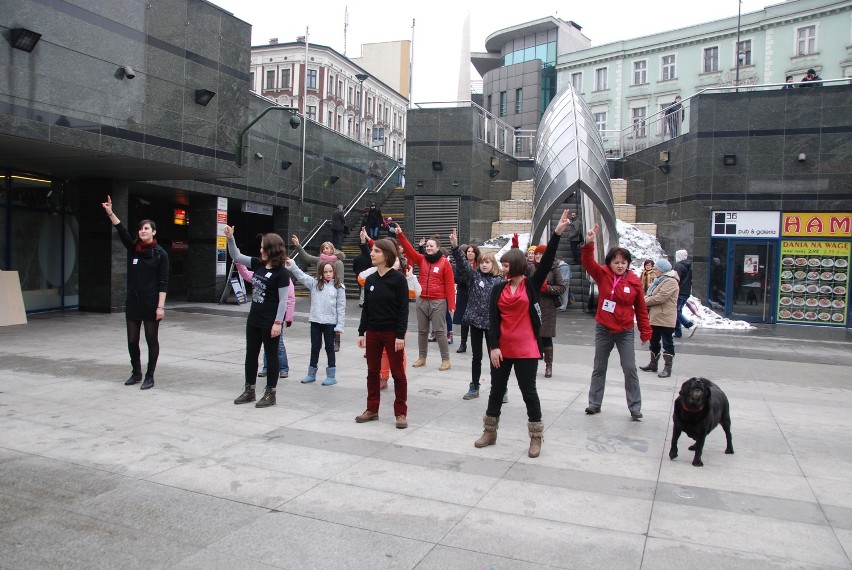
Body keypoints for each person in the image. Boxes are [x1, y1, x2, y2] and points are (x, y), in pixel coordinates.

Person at [474, 209, 572, 458]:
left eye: (506, 264)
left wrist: (557, 233)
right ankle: (490, 431)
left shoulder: (531, 285)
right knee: (496, 389)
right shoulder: (499, 288)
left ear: (516, 265)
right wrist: (493, 347)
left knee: (529, 392)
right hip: (503, 349)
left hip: (527, 348)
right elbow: (493, 320)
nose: (502, 268)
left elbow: (547, 260)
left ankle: (536, 437)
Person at [581, 223, 652, 420]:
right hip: (604, 329)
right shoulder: (602, 274)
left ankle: (635, 407)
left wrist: (646, 331)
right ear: (610, 263)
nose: (620, 265)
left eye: (623, 262)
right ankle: (594, 403)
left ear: (628, 263)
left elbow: (641, 309)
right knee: (599, 367)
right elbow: (588, 263)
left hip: (625, 331)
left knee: (629, 368)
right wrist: (589, 243)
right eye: (616, 262)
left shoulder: (634, 282)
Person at [101, 196, 169, 390]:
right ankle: (136, 373)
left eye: (146, 228)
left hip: (150, 303)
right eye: (140, 228)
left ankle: (150, 376)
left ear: (153, 232)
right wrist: (110, 212)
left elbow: (164, 282)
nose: (142, 231)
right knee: (132, 340)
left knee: (151, 339)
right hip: (133, 301)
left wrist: (160, 307)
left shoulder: (160, 254)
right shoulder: (134, 249)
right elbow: (121, 231)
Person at [225, 226, 290, 408]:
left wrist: (278, 322)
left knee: (271, 355)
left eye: (263, 247)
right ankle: (249, 390)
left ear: (272, 249)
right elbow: (237, 257)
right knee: (251, 354)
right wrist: (231, 238)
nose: (260, 250)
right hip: (254, 319)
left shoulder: (282, 273)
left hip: (270, 322)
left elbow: (283, 301)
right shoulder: (259, 264)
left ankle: (271, 393)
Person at [356, 238, 410, 429]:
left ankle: (401, 412)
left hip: (392, 333)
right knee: (372, 372)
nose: (372, 254)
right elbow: (366, 308)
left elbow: (404, 310)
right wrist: (362, 332)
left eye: (376, 251)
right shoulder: (370, 280)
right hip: (373, 332)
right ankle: (372, 409)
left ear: (387, 255)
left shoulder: (399, 280)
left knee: (398, 373)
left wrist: (400, 335)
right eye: (372, 251)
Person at [450, 230, 503, 400]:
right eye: (482, 262)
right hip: (475, 322)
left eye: (487, 262)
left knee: (494, 356)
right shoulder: (473, 277)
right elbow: (462, 264)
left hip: (492, 325)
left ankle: (500, 387)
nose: (484, 265)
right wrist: (456, 247)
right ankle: (474, 386)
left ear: (493, 264)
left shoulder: (499, 281)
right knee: (476, 357)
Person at [397, 225, 456, 371]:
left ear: (438, 248)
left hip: (438, 301)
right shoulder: (422, 259)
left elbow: (449, 284)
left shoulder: (445, 263)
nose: (428, 248)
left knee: (440, 331)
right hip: (422, 299)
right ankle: (422, 357)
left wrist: (451, 305)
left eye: (431, 246)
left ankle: (446, 359)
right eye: (427, 246)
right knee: (422, 331)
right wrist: (400, 234)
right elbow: (409, 249)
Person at [285, 258, 346, 386]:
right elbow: (301, 276)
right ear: (321, 272)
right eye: (325, 272)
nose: (328, 274)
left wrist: (339, 326)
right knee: (315, 347)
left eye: (330, 271)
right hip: (316, 321)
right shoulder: (315, 283)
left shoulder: (339, 287)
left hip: (330, 323)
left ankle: (331, 375)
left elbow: (341, 307)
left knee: (330, 348)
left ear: (334, 272)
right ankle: (311, 373)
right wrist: (292, 265)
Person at [236, 262, 295, 379]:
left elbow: (289, 299)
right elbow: (247, 274)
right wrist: (239, 263)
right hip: (260, 318)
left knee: (278, 345)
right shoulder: (261, 273)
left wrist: (287, 318)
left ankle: (283, 368)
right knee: (267, 346)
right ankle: (266, 367)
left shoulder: (283, 277)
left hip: (275, 318)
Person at [639, 258, 680, 379]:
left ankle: (667, 368)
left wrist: (643, 301)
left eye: (656, 268)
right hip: (656, 317)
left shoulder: (671, 281)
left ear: (662, 270)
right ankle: (653, 364)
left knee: (667, 343)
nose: (654, 270)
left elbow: (660, 298)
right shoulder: (659, 280)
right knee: (654, 341)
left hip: (666, 318)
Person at [533, 244, 566, 378]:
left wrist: (548, 289)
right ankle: (532, 363)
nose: (538, 257)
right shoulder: (531, 268)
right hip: (534, 306)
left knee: (546, 336)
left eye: (541, 254)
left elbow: (562, 287)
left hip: (548, 307)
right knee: (533, 336)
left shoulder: (554, 269)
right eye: (537, 254)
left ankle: (548, 365)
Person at [452, 242, 480, 354]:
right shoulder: (460, 265)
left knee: (474, 321)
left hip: (476, 295)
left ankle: (475, 344)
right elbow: (456, 278)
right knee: (464, 321)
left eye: (472, 252)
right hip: (463, 294)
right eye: (468, 251)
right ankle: (463, 343)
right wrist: (469, 280)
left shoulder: (479, 265)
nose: (470, 253)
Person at [674, 249, 699, 338]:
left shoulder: (679, 266)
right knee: (678, 310)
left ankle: (690, 325)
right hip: (686, 291)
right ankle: (677, 332)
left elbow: (676, 279)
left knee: (675, 311)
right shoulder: (690, 266)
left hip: (679, 291)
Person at [352, 227, 372, 308]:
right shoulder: (369, 258)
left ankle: (362, 300)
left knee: (361, 288)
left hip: (359, 274)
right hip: (368, 275)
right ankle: (364, 301)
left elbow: (354, 267)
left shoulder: (357, 258)